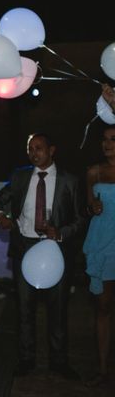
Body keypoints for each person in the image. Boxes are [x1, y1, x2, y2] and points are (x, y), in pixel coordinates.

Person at [0, 133, 85, 380]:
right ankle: (26, 359)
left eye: (39, 148)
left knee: (58, 310)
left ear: (52, 150)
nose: (34, 153)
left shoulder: (70, 180)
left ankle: (59, 361)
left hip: (55, 251)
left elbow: (80, 220)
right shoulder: (20, 176)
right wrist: (0, 214)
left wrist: (60, 233)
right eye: (30, 149)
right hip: (25, 248)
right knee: (24, 310)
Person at [83, 124, 115, 387]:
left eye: (113, 139)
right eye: (105, 140)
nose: (107, 144)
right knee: (103, 308)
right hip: (102, 242)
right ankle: (103, 368)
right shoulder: (94, 172)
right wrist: (92, 206)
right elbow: (88, 206)